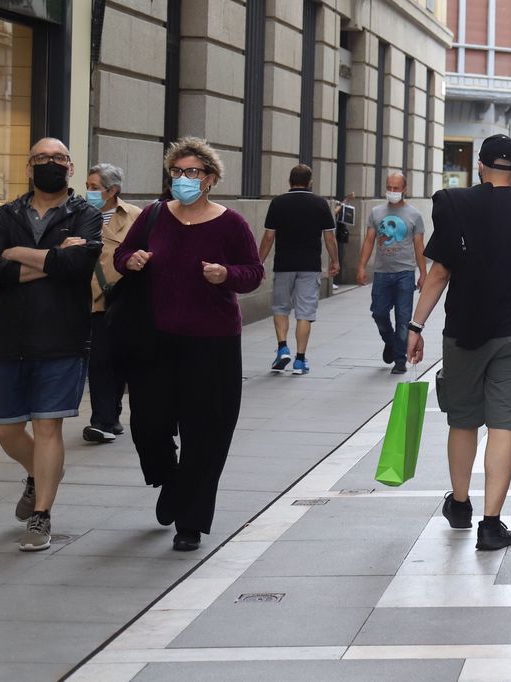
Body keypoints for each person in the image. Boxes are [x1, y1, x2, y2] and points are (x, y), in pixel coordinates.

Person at [410, 134, 511, 551]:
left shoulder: (455, 204)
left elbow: (439, 273)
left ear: (479, 166)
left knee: (462, 419)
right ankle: (491, 523)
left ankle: (460, 505)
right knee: (503, 424)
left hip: (464, 328)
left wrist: (415, 326)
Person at [116, 137, 264, 552]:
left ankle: (191, 521)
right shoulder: (154, 215)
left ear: (211, 179)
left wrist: (226, 275)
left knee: (207, 433)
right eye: (177, 172)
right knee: (147, 424)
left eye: (193, 172)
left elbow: (253, 272)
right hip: (155, 340)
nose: (183, 179)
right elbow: (122, 255)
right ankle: (171, 478)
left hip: (212, 343)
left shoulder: (231, 222)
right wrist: (131, 261)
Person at [0, 138, 103, 551]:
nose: (51, 164)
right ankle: (42, 473)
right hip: (10, 333)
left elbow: (77, 264)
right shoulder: (7, 213)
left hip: (61, 334)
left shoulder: (85, 214)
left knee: (48, 426)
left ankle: (41, 514)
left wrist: (19, 254)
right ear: (29, 167)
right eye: (42, 158)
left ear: (70, 166)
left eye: (59, 158)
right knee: (4, 429)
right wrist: (48, 259)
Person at [259, 165, 339, 375]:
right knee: (304, 313)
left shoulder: (278, 203)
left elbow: (268, 237)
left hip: (283, 264)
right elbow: (329, 238)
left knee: (281, 308)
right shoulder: (320, 204)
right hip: (309, 266)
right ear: (310, 182)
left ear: (290, 181)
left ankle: (282, 348)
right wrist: (335, 261)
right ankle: (300, 360)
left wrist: (258, 262)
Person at [83, 163, 141, 443]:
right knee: (100, 360)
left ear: (112, 190)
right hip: (92, 299)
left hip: (126, 299)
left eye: (94, 188)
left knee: (119, 359)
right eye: (88, 186)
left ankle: (113, 415)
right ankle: (102, 420)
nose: (89, 192)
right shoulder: (78, 216)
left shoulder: (135, 216)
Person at [356, 172, 427, 377]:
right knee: (379, 313)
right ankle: (391, 341)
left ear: (405, 189)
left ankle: (399, 360)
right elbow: (369, 240)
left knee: (403, 318)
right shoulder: (377, 212)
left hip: (405, 272)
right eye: (389, 187)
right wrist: (361, 266)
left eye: (396, 188)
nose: (392, 192)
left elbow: (419, 246)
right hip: (381, 273)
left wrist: (423, 273)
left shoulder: (414, 215)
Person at [332, 192, 356, 291]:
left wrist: (346, 200)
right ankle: (332, 280)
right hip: (332, 234)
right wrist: (343, 203)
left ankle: (334, 280)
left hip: (338, 234)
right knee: (336, 256)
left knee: (339, 255)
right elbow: (333, 213)